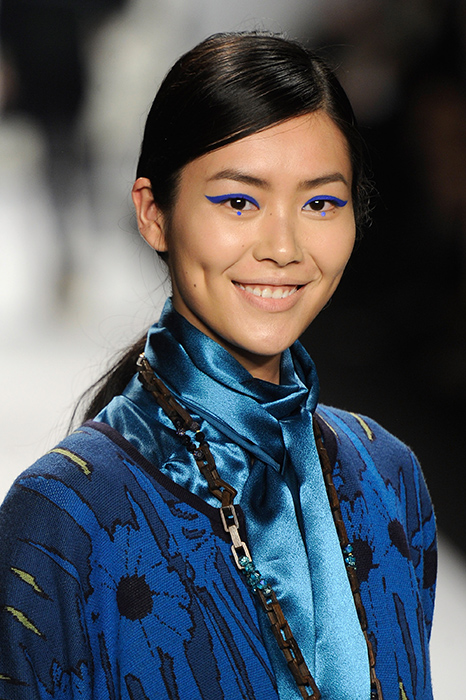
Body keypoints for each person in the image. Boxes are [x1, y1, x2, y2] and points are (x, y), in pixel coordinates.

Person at [0, 32, 436, 700]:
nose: (284, 246)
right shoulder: (62, 518)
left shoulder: (389, 479)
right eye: (239, 201)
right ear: (153, 214)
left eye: (320, 203)